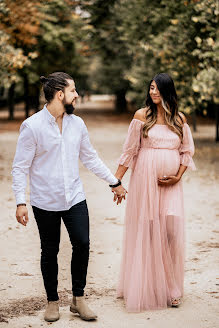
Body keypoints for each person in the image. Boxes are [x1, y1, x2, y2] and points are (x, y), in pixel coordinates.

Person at [12, 72, 126, 322]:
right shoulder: (32, 126)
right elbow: (20, 166)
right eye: (73, 90)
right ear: (60, 94)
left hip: (74, 197)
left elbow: (90, 157)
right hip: (45, 201)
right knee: (49, 251)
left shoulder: (78, 124)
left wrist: (114, 182)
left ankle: (78, 299)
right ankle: (52, 302)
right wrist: (21, 201)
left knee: (82, 244)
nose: (77, 94)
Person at [113, 73, 196, 312]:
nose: (153, 92)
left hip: (171, 185)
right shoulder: (141, 116)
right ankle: (157, 286)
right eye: (151, 88)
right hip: (144, 182)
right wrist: (116, 180)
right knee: (149, 230)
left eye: (158, 88)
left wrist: (178, 176)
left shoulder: (179, 119)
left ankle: (170, 281)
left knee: (170, 230)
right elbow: (129, 151)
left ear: (168, 91)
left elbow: (186, 152)